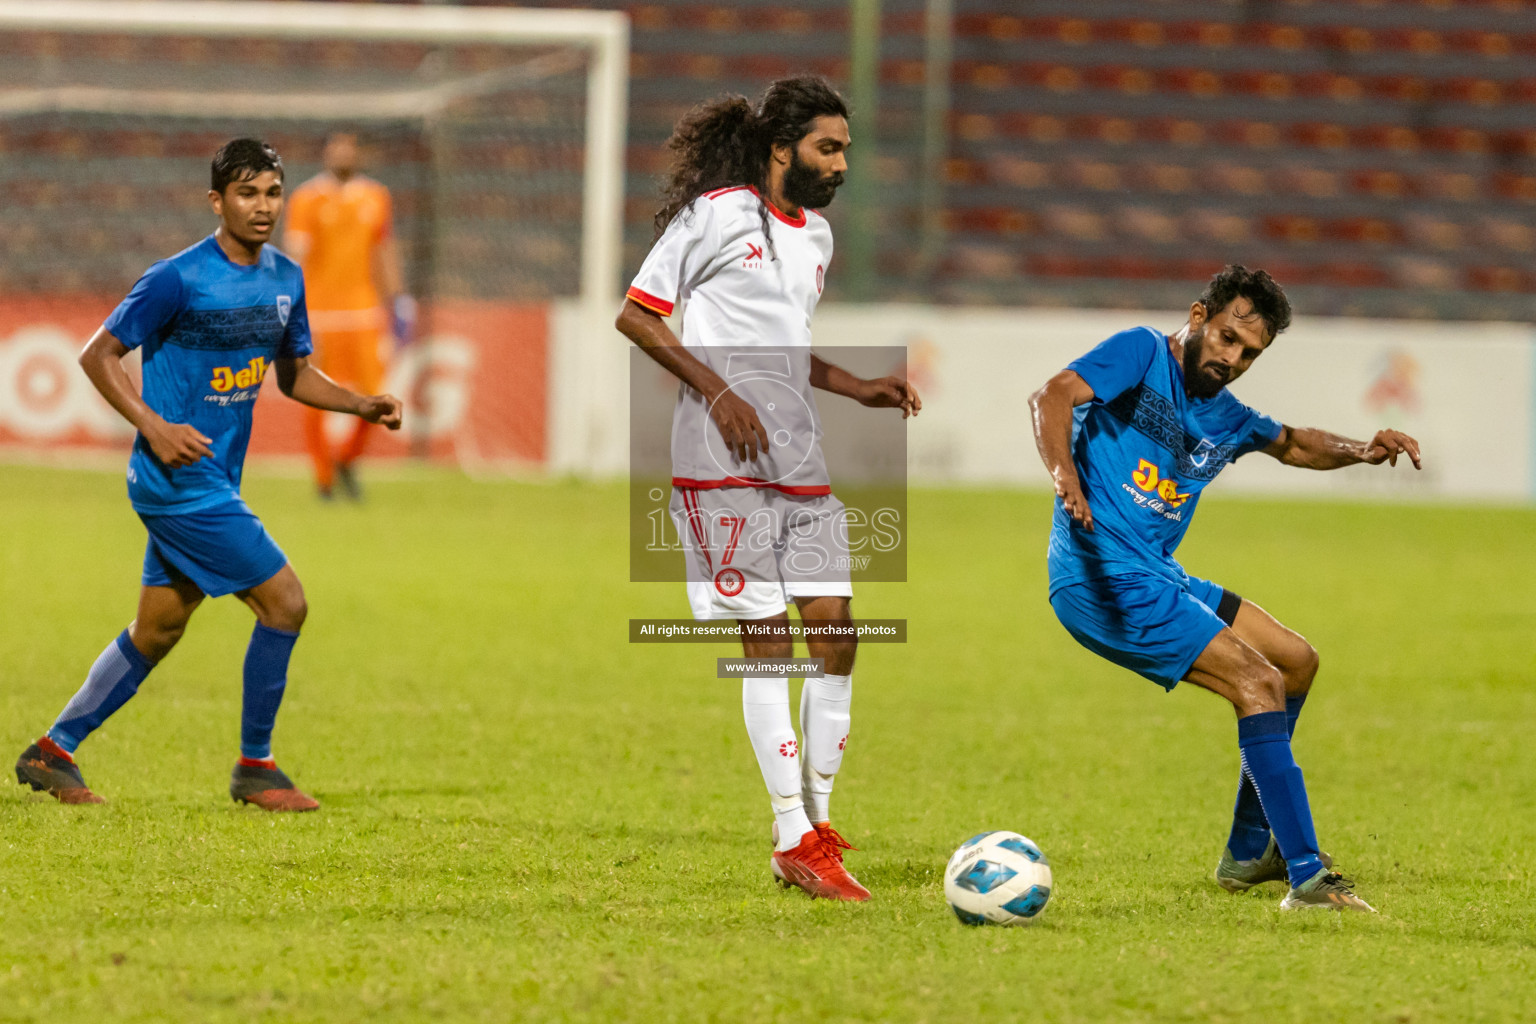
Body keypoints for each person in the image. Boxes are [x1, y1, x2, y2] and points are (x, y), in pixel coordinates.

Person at [14, 138, 403, 811]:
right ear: (216, 200)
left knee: (158, 629)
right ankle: (257, 768)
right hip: (174, 482)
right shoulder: (177, 278)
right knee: (286, 602)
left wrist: (359, 402)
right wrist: (153, 425)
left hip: (215, 477)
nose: (262, 207)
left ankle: (53, 751)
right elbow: (97, 355)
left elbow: (294, 374)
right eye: (246, 193)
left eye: (272, 193)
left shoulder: (286, 277)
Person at [1030, 265, 1421, 912]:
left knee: (1294, 661)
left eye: (1249, 352)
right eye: (1226, 338)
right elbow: (1050, 395)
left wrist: (1363, 449)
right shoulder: (1140, 353)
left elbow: (1293, 444)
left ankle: (1248, 851)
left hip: (1155, 573)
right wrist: (1063, 475)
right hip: (1101, 578)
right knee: (1257, 683)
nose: (1231, 357)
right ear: (1198, 315)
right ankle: (1307, 876)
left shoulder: (1228, 415)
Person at [615, 76, 920, 902]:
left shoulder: (815, 237)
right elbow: (638, 316)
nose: (842, 163)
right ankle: (792, 827)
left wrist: (854, 386)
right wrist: (718, 390)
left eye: (847, 149)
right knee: (766, 642)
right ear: (782, 148)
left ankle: (813, 833)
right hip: (718, 458)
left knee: (838, 631)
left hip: (796, 455)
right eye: (830, 147)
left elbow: (786, 345)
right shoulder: (714, 215)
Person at [284, 132, 414, 501]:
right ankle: (323, 478)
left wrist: (399, 299)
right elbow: (296, 256)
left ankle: (347, 459)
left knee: (377, 396)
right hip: (318, 314)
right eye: (335, 148)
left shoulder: (376, 196)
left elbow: (383, 249)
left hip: (362, 312)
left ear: (357, 155)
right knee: (314, 394)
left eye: (348, 149)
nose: (342, 154)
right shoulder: (307, 198)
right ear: (326, 155)